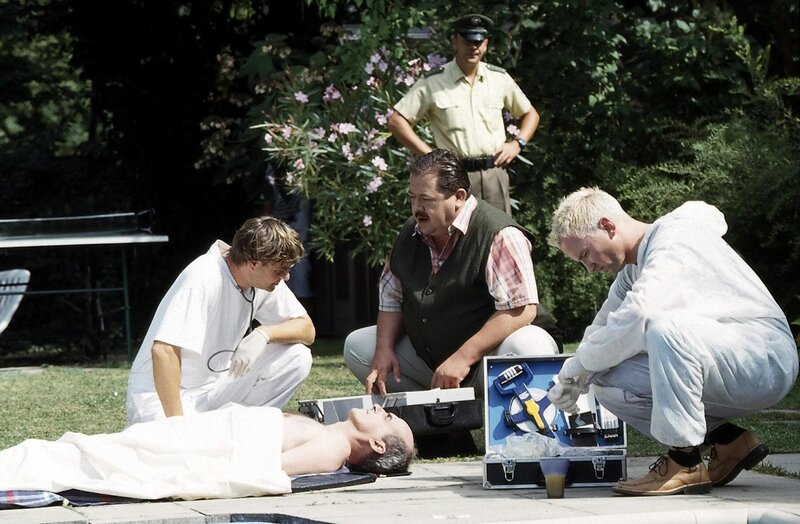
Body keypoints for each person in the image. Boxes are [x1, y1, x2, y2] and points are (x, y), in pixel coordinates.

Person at [546, 187, 799, 496]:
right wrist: (575, 377)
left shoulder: (673, 239)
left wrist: (580, 363)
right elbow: (603, 329)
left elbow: (640, 314)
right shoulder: (633, 270)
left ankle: (685, 461)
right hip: (728, 356)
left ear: (608, 226)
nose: (589, 268)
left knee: (663, 326)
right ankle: (729, 441)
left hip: (766, 359)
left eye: (585, 254)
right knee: (607, 380)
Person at [344, 149, 561, 400]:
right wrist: (383, 349)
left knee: (528, 345)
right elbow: (391, 298)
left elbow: (521, 310)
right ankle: (443, 432)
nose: (416, 208)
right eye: (412, 198)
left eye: (426, 199)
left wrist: (463, 357)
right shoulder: (409, 233)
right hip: (435, 361)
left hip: (487, 362)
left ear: (458, 197)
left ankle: (520, 431)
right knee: (358, 346)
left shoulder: (500, 234)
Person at [0, 404, 414, 500]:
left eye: (390, 418)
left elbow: (262, 471)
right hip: (202, 432)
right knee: (87, 451)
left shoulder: (331, 447)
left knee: (84, 456)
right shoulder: (328, 433)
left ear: (377, 444)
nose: (383, 407)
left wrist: (185, 475)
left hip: (203, 446)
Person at [126, 216, 315, 424]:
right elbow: (163, 351)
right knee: (187, 448)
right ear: (253, 263)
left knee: (298, 356)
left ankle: (248, 427)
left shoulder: (264, 280)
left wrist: (264, 334)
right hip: (161, 396)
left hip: (214, 388)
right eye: (280, 271)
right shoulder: (203, 276)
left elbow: (307, 329)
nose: (286, 277)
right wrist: (177, 426)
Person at [387, 13, 539, 215]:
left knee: (499, 236)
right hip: (455, 176)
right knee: (457, 238)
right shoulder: (434, 82)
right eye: (467, 41)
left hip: (494, 174)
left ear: (486, 44)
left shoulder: (499, 78)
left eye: (478, 42)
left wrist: (516, 144)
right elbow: (397, 121)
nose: (473, 47)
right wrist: (431, 157)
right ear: (455, 41)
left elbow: (530, 114)